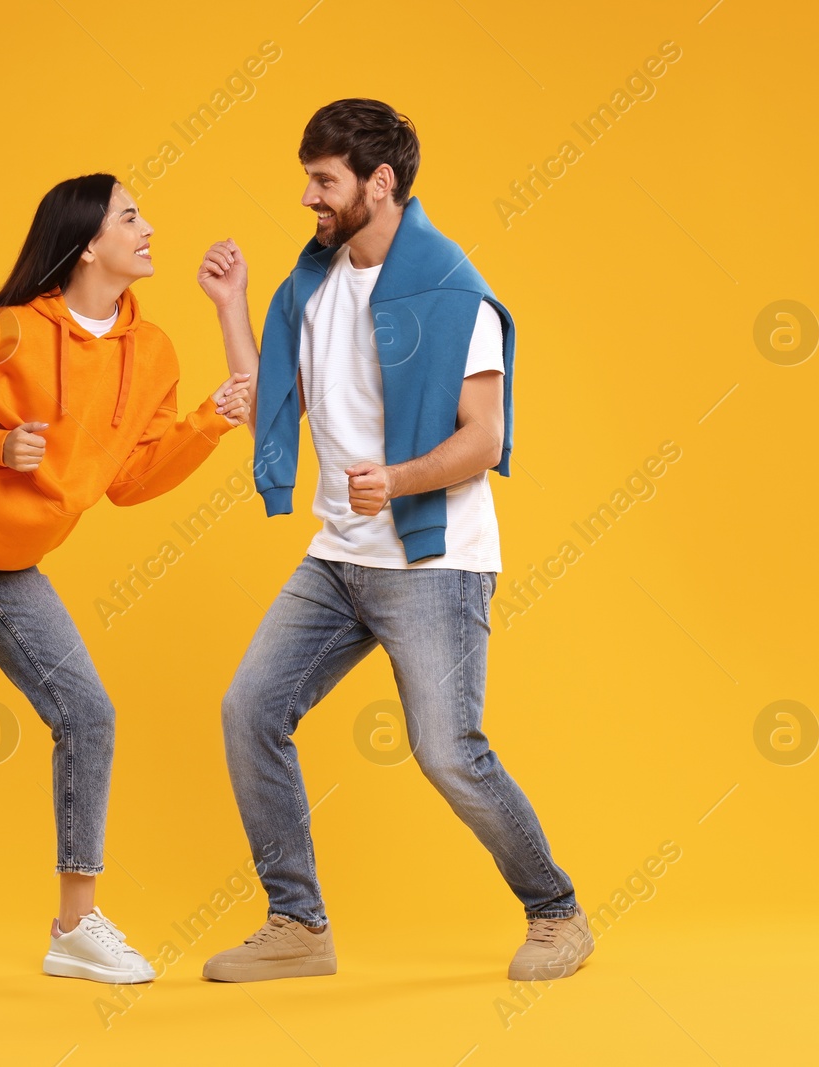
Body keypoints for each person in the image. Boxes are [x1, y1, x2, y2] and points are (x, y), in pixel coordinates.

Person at [195, 99, 591, 983]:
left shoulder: (455, 295)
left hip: (433, 560)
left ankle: (556, 911)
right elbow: (271, 404)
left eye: (324, 179)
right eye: (308, 177)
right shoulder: (314, 286)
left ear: (381, 182)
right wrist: (233, 307)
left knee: (449, 751)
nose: (308, 196)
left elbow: (484, 438)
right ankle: (298, 923)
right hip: (340, 559)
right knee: (250, 709)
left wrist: (398, 479)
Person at [0, 173, 251, 987]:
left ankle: (75, 925)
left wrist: (210, 419)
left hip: (6, 554)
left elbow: (131, 481)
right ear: (85, 243)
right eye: (130, 216)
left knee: (86, 712)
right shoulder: (2, 333)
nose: (149, 228)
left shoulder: (154, 353)